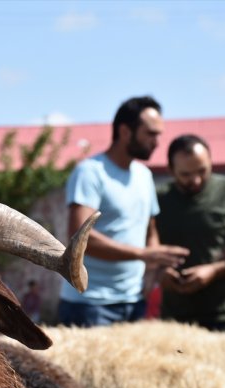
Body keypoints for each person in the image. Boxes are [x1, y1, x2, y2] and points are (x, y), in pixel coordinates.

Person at [57, 96, 189, 327]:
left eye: (159, 134)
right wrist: (144, 255)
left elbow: (150, 231)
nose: (157, 142)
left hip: (134, 301)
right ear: (125, 131)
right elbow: (80, 237)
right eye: (150, 133)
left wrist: (153, 267)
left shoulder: (144, 176)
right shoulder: (90, 172)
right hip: (90, 304)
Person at [155, 134, 225, 330]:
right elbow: (147, 248)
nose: (196, 180)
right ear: (171, 170)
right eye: (186, 175)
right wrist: (160, 272)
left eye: (202, 171)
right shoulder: (158, 199)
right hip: (176, 317)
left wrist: (214, 271)